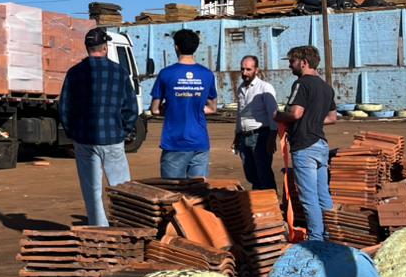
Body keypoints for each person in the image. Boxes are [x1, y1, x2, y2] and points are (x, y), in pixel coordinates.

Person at [58, 27, 140, 226]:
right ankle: (124, 226)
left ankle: (99, 229)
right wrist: (125, 130)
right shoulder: (120, 72)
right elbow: (131, 107)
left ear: (87, 48)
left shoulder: (74, 73)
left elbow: (65, 108)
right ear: (105, 47)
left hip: (84, 139)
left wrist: (73, 133)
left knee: (91, 189)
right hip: (113, 138)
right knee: (121, 187)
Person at [275, 45, 338, 241]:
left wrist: (277, 115)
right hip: (320, 144)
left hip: (304, 145)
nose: (290, 66)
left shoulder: (301, 84)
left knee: (308, 197)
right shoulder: (326, 87)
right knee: (323, 195)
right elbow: (332, 118)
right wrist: (313, 120)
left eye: (292, 62)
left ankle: (317, 240)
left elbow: (295, 113)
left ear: (303, 63)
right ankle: (330, 235)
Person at [149, 28, 217, 178]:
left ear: (176, 47)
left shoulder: (166, 74)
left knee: (173, 193)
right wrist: (196, 108)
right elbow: (212, 108)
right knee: (198, 194)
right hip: (200, 142)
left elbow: (154, 109)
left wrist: (172, 108)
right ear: (196, 48)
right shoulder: (207, 74)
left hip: (175, 142)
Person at [232, 55, 277, 190]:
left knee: (264, 174)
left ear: (256, 70)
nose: (244, 73)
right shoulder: (241, 89)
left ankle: (270, 205)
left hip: (260, 136)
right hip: (244, 137)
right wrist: (237, 136)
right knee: (251, 175)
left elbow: (273, 114)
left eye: (248, 69)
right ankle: (258, 204)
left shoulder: (264, 88)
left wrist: (272, 138)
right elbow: (240, 114)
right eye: (242, 69)